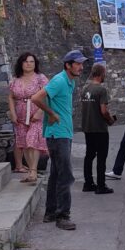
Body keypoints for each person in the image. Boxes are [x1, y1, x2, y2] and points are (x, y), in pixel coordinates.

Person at [31, 49, 88, 230]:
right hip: (58, 135)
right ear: (68, 65)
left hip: (63, 134)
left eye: (81, 63)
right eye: (78, 64)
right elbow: (36, 98)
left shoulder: (69, 82)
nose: (81, 67)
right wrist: (52, 114)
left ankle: (51, 212)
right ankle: (63, 216)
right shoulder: (59, 80)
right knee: (66, 175)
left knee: (56, 173)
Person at [7, 52, 49, 183]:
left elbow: (47, 95)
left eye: (31, 62)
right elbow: (10, 97)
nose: (29, 64)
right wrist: (12, 113)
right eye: (26, 61)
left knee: (32, 140)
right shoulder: (15, 80)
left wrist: (40, 112)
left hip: (35, 113)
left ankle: (33, 171)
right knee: (24, 143)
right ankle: (31, 170)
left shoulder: (41, 78)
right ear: (21, 63)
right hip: (20, 115)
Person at [81, 64, 115, 195]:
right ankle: (101, 185)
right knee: (101, 157)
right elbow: (103, 110)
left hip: (87, 127)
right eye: (104, 73)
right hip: (100, 128)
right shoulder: (101, 90)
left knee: (89, 156)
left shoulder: (85, 89)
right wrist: (110, 120)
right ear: (101, 74)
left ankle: (88, 183)